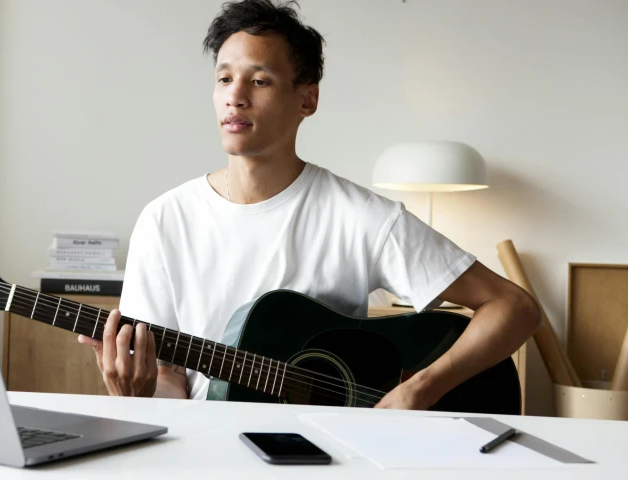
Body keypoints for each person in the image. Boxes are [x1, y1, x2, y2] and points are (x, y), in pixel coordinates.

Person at [78, 0, 540, 409]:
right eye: (223, 78)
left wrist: (419, 389)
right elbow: (170, 382)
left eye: (259, 80)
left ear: (308, 99)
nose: (235, 97)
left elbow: (514, 307)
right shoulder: (164, 221)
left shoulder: (360, 217)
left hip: (334, 454)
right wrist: (136, 394)